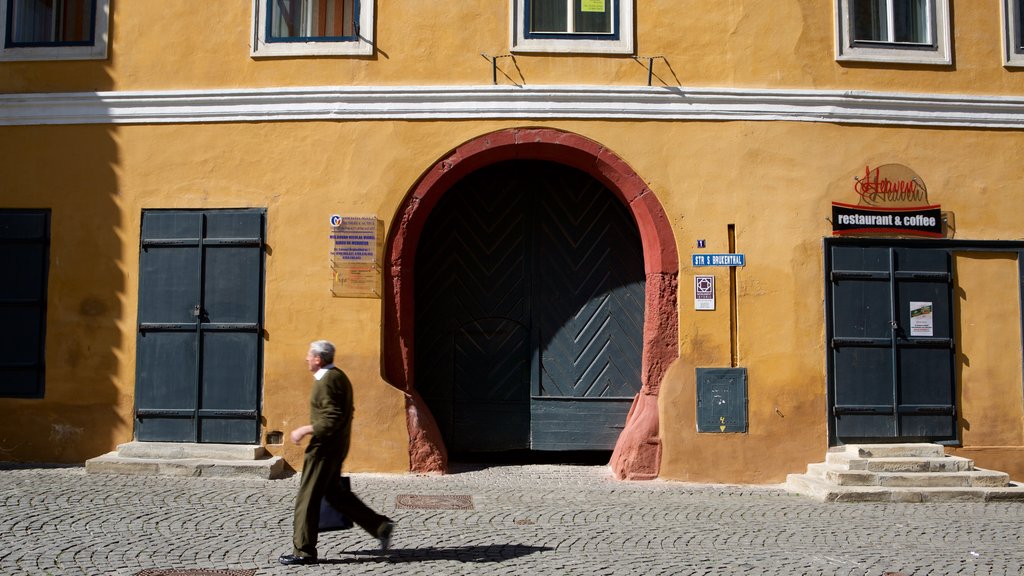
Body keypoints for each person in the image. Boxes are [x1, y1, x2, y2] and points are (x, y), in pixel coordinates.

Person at [278, 340, 395, 566]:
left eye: (309, 355)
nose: (306, 358)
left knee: (307, 499)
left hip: (323, 449)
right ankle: (380, 526)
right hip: (335, 447)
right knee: (335, 495)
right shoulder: (337, 376)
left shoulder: (328, 381)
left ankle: (304, 552)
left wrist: (304, 430)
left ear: (318, 359)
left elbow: (331, 418)